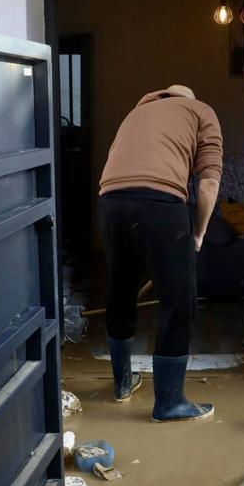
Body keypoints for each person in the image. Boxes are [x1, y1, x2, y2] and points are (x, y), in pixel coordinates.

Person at [98, 84, 222, 422]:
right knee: (178, 298)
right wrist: (197, 233)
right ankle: (169, 403)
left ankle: (123, 385)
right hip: (160, 201)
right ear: (189, 101)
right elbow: (208, 182)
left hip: (110, 201)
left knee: (121, 289)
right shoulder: (201, 111)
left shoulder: (135, 112)